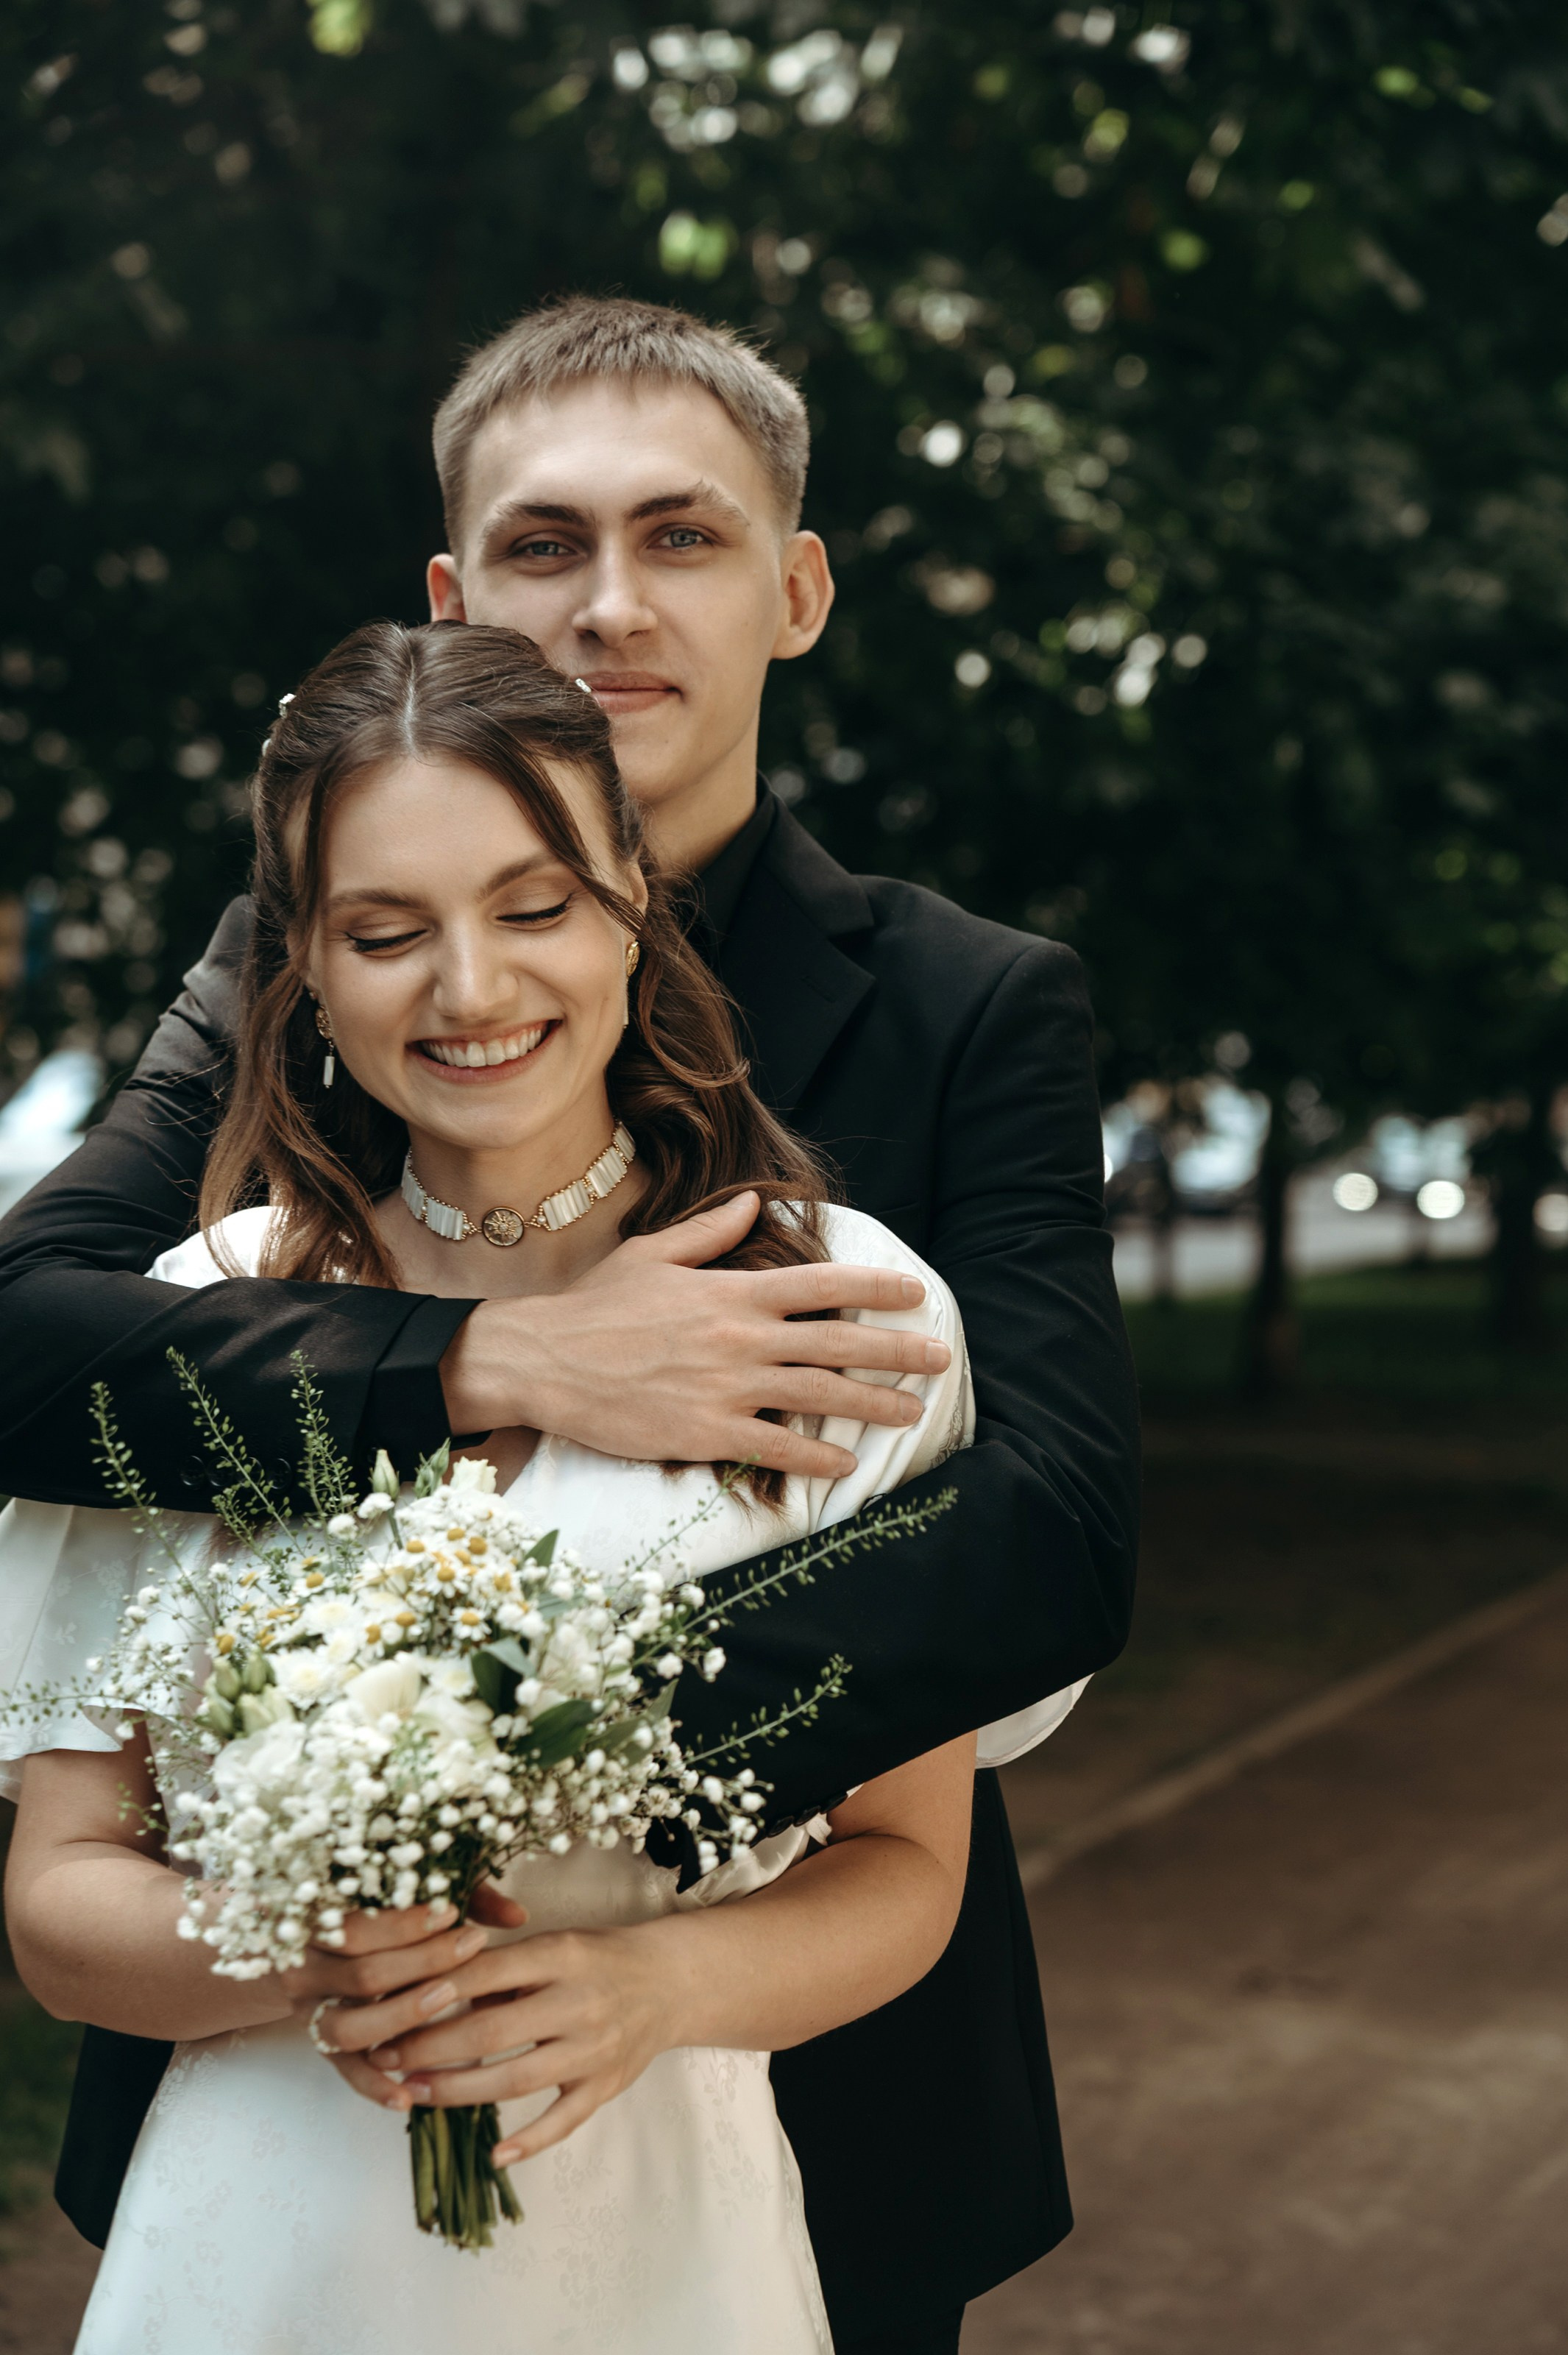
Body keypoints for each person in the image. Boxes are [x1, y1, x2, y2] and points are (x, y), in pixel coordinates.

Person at [0, 297, 1140, 2353]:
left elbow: (1046, 1537)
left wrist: (511, 1779)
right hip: (282, 2130)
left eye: (680, 539)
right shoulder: (292, 959)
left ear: (794, 588)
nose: (607, 609)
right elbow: (21, 1340)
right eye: (541, 550)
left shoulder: (969, 1007)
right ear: (457, 600)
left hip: (807, 2101)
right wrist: (488, 1367)